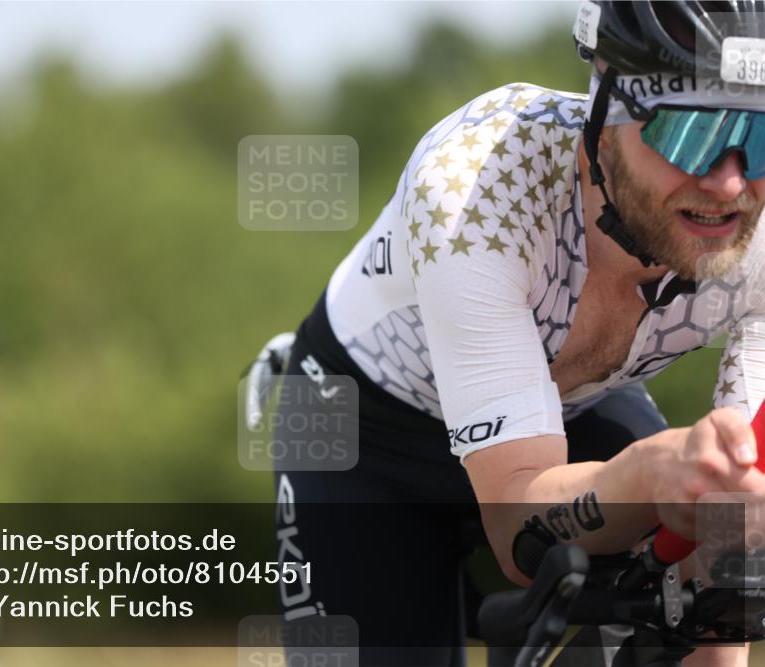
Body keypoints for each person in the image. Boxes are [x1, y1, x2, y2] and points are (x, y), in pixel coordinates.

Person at [256, 2, 765, 665]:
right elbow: (519, 528)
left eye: (759, 134)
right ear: (604, 112)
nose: (728, 181)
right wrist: (653, 470)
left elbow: (726, 549)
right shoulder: (478, 190)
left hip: (567, 405)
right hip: (366, 431)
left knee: (718, 569)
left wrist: (722, 521)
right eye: (692, 132)